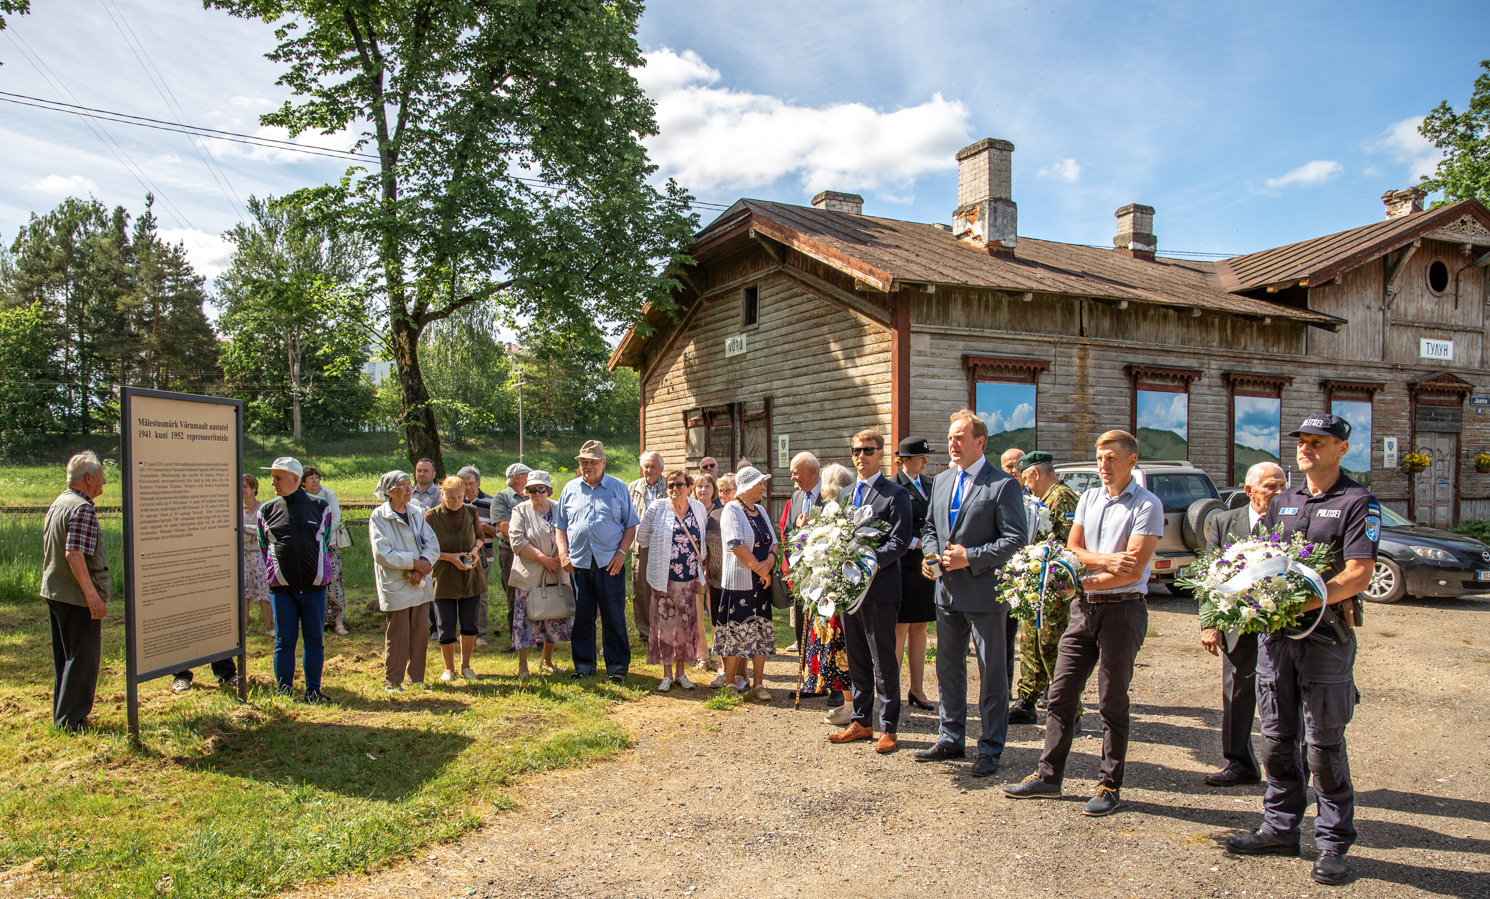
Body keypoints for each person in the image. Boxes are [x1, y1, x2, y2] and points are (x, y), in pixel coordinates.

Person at [1226, 415, 1378, 887]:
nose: (1306, 448)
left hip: (1324, 639)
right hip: (1276, 641)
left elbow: (1358, 574)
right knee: (1275, 739)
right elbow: (1258, 560)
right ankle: (1279, 828)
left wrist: (1303, 600)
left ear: (1342, 449)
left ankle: (1332, 843)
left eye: (1318, 442)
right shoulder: (1284, 501)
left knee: (1323, 744)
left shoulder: (1357, 502)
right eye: (1302, 441)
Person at [1003, 430, 1163, 817]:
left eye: (1111, 458)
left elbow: (1134, 569)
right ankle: (1048, 777)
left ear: (1131, 461)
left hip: (1122, 609)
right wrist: (1105, 561)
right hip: (1084, 608)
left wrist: (1081, 578)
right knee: (1061, 694)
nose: (1103, 465)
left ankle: (1109, 784)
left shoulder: (1148, 504)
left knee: (1111, 700)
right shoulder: (1089, 497)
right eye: (1099, 458)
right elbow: (1072, 548)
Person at [914, 412, 1026, 774]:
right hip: (946, 592)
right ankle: (951, 738)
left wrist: (970, 557)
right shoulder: (943, 480)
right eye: (950, 437)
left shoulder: (1002, 484)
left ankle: (991, 748)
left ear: (980, 442)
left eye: (961, 437)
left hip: (985, 594)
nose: (953, 443)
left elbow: (1015, 539)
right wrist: (931, 556)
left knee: (992, 672)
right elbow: (930, 527)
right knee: (948, 668)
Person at [1199, 461, 1286, 787]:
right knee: (1236, 693)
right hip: (1238, 622)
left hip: (1281, 622)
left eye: (1282, 486)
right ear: (1249, 491)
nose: (1279, 493)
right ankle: (1240, 764)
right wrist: (1210, 623)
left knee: (1284, 693)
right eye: (1271, 487)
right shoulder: (1224, 523)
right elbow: (1208, 577)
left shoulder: (1291, 521)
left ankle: (1290, 765)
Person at [828, 430, 912, 754]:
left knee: (883, 660)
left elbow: (900, 541)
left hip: (880, 588)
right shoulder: (847, 494)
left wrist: (866, 563)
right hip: (851, 592)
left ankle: (888, 727)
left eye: (867, 450)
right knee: (857, 658)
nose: (860, 456)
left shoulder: (895, 494)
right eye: (855, 451)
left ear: (881, 454)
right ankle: (862, 721)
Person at [555, 440, 640, 682]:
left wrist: (621, 554)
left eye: (593, 461)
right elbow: (560, 527)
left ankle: (617, 667)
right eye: (584, 462)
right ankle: (583, 665)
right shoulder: (570, 489)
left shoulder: (618, 487)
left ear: (603, 462)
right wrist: (563, 554)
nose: (588, 466)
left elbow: (631, 525)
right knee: (582, 616)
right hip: (579, 563)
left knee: (613, 615)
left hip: (609, 563)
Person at [1009, 451, 1082, 724]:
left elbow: (1067, 545)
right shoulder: (1040, 498)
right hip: (1036, 584)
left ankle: (1070, 712)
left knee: (1053, 647)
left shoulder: (1062, 498)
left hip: (1054, 587)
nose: (1026, 485)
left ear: (1036, 473)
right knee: (1030, 643)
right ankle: (1027, 701)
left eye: (1027, 478)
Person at [41, 451, 111, 732]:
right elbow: (74, 554)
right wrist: (92, 596)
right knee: (82, 659)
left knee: (66, 656)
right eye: (102, 477)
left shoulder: (60, 502)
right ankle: (73, 721)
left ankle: (62, 715)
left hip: (56, 591)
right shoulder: (82, 509)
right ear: (89, 477)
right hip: (76, 596)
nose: (104, 484)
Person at [256, 456, 335, 702]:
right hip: (282, 590)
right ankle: (284, 693)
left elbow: (325, 540)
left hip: (314, 587)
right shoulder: (266, 510)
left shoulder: (321, 506)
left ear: (294, 479)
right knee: (284, 640)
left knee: (314, 639)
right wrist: (277, 571)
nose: (273, 483)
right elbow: (263, 545)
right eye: (273, 478)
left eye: (278, 478)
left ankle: (313, 691)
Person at [368, 470, 439, 691]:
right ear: (390, 491)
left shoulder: (417, 512)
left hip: (419, 579)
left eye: (410, 484)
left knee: (419, 630)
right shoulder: (379, 516)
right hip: (396, 582)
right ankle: (393, 681)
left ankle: (416, 678)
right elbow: (382, 553)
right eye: (403, 485)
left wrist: (424, 564)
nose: (409, 489)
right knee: (398, 633)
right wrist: (413, 563)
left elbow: (432, 543)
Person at [638, 470, 708, 691]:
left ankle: (682, 673)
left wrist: (699, 574)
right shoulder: (657, 508)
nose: (675, 489)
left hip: (688, 580)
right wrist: (661, 550)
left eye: (679, 485)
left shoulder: (698, 508)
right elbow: (642, 537)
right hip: (663, 579)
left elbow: (701, 542)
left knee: (686, 627)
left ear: (689, 487)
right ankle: (667, 675)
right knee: (665, 626)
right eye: (670, 486)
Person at [716, 466, 777, 699]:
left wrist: (768, 565)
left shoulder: (760, 510)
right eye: (760, 483)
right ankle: (731, 682)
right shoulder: (732, 508)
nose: (763, 487)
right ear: (749, 485)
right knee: (736, 631)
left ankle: (759, 684)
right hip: (740, 582)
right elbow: (735, 543)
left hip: (761, 582)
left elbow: (773, 543)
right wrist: (759, 568)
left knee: (760, 631)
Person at [802, 463, 855, 725]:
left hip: (833, 592)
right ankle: (847, 703)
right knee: (836, 651)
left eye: (823, 481)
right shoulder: (833, 509)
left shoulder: (836, 510)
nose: (820, 487)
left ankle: (849, 704)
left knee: (839, 650)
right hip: (826, 590)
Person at [507, 470, 574, 678]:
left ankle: (547, 661)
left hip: (556, 571)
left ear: (548, 491)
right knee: (524, 620)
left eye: (541, 489)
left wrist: (560, 558)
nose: (537, 493)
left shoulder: (558, 508)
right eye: (532, 490)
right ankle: (523, 666)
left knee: (552, 617)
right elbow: (517, 541)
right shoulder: (520, 510)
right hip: (530, 574)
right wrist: (543, 559)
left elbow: (570, 532)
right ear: (526, 492)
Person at [426, 476, 487, 682]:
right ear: (442, 494)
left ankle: (466, 665)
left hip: (470, 575)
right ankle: (448, 668)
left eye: (460, 498)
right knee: (446, 623)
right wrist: (450, 558)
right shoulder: (431, 517)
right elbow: (425, 549)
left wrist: (475, 550)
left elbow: (481, 536)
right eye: (451, 498)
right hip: (444, 575)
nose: (456, 502)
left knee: (470, 622)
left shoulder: (471, 511)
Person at [893, 437, 936, 712]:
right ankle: (891, 690)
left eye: (926, 457)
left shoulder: (931, 484)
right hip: (905, 563)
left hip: (927, 564)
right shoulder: (894, 486)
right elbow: (888, 524)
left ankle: (917, 689)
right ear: (905, 460)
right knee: (900, 628)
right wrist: (915, 542)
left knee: (921, 627)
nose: (925, 461)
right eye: (920, 457)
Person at [779, 452, 822, 653]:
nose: (792, 478)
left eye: (796, 473)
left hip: (823, 578)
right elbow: (787, 535)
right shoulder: (796, 497)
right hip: (800, 578)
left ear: (812, 471)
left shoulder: (832, 495)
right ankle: (805, 676)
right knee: (802, 634)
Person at [302, 466, 348, 636]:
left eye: (317, 477)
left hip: (329, 545)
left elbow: (335, 519)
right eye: (311, 478)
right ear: (303, 482)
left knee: (334, 583)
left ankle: (338, 621)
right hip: (309, 547)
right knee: (313, 584)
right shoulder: (301, 498)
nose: (315, 481)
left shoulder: (328, 494)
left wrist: (321, 535)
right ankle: (317, 621)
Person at [458, 466, 501, 647]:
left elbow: (499, 533)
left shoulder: (490, 502)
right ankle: (461, 633)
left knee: (480, 596)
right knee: (459, 595)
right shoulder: (454, 501)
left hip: (484, 557)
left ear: (479, 483)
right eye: (464, 484)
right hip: (458, 557)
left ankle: (480, 634)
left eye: (471, 483)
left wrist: (481, 527)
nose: (468, 487)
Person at [491, 463, 531, 650]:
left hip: (533, 555)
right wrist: (530, 542)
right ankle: (516, 640)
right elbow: (504, 526)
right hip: (511, 554)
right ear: (516, 478)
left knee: (535, 595)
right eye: (526, 475)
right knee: (514, 597)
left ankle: (536, 638)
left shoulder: (533, 493)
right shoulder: (502, 497)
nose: (530, 478)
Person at [629, 451, 666, 646]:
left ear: (661, 468)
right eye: (646, 466)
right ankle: (645, 632)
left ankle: (665, 629)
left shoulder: (671, 486)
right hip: (640, 546)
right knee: (641, 589)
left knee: (665, 589)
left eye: (653, 466)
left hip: (665, 547)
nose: (649, 470)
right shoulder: (632, 488)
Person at [704, 474, 736, 685]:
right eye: (721, 491)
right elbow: (706, 549)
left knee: (735, 626)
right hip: (715, 579)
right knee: (718, 624)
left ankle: (738, 674)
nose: (723, 495)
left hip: (736, 579)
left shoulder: (742, 514)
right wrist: (705, 571)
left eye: (728, 490)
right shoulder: (713, 515)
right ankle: (723, 671)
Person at [691, 474, 721, 664]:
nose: (703, 489)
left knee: (715, 614)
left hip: (715, 569)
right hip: (693, 568)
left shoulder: (720, 512)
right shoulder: (690, 511)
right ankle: (703, 656)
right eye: (699, 486)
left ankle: (719, 657)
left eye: (707, 486)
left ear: (714, 490)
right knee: (696, 615)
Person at [242, 474, 273, 636]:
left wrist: (247, 531)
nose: (243, 490)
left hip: (260, 555)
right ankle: (244, 627)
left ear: (255, 489)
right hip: (242, 556)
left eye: (246, 487)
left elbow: (265, 532)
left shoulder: (263, 508)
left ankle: (270, 627)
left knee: (264, 590)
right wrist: (251, 532)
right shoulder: (235, 508)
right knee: (244, 591)